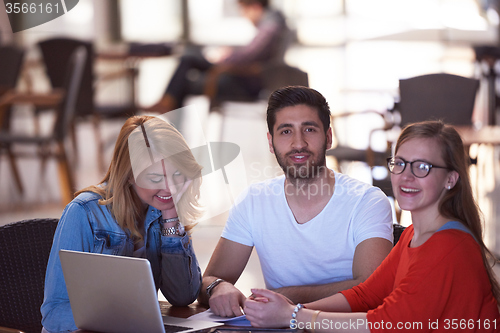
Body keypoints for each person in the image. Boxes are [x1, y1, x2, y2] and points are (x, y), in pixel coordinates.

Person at [244, 120, 500, 332]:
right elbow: (366, 295)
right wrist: (290, 310)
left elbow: (387, 323)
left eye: (422, 167)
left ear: (450, 179)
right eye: (399, 163)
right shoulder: (414, 234)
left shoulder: (447, 246)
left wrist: (294, 316)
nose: (406, 176)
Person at [199, 86, 394, 317]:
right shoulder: (254, 200)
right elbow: (207, 283)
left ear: (328, 137)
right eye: (286, 131)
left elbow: (372, 290)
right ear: (271, 143)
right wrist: (218, 287)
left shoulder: (366, 201)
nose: (298, 143)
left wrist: (286, 297)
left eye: (309, 129)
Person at [41, 116, 203, 333]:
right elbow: (54, 312)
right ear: (128, 176)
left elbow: (183, 296)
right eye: (155, 178)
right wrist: (118, 324)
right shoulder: (83, 213)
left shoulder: (161, 210)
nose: (171, 188)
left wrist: (171, 215)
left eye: (177, 175)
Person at [147, 0, 290, 112]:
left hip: (244, 82)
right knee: (188, 58)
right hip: (241, 75)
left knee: (187, 74)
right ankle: (168, 103)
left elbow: (248, 56)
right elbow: (251, 54)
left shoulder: (271, 28)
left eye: (244, 10)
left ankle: (168, 107)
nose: (243, 15)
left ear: (256, 7)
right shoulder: (272, 24)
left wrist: (225, 59)